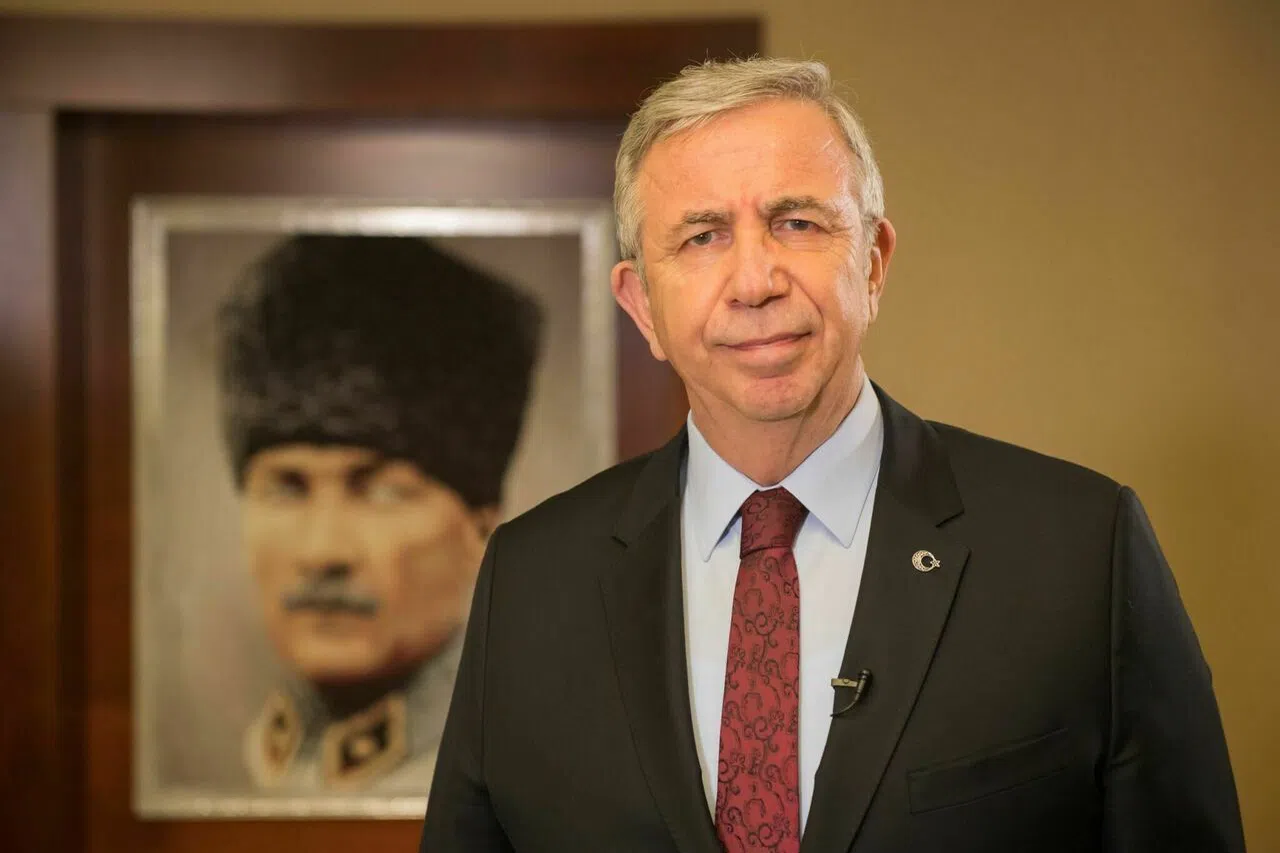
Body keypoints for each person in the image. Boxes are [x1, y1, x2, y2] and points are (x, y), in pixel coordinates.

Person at [419, 58, 1244, 851]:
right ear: (641, 306)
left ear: (874, 263)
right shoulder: (528, 582)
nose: (755, 281)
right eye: (702, 236)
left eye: (797, 223)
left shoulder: (1081, 549)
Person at [218, 233, 541, 791]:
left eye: (384, 492)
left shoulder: (525, 773)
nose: (322, 553)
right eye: (287, 488)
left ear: (482, 530)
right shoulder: (258, 764)